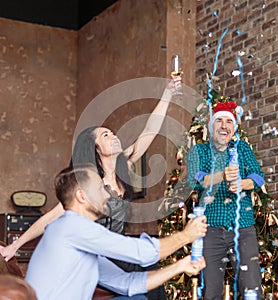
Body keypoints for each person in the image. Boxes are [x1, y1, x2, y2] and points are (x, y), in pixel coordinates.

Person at [0, 77, 181, 299]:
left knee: (150, 271)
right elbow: (51, 217)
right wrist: (14, 246)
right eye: (106, 135)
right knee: (146, 271)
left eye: (112, 132)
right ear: (96, 149)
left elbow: (149, 131)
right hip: (102, 250)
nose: (113, 136)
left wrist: (168, 94)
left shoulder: (125, 165)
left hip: (120, 248)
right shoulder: (90, 185)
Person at [25, 163, 207, 299]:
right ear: (81, 196)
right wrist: (185, 236)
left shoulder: (82, 238)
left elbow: (127, 283)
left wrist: (180, 266)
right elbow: (142, 253)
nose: (107, 195)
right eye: (100, 189)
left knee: (137, 298)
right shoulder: (71, 227)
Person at [187, 101, 264, 299]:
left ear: (234, 127)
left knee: (251, 289)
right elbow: (197, 180)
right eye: (219, 121)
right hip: (210, 231)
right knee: (210, 291)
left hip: (243, 230)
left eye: (228, 121)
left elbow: (258, 177)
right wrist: (222, 175)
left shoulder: (243, 149)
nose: (224, 126)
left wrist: (242, 183)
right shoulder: (199, 152)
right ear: (211, 126)